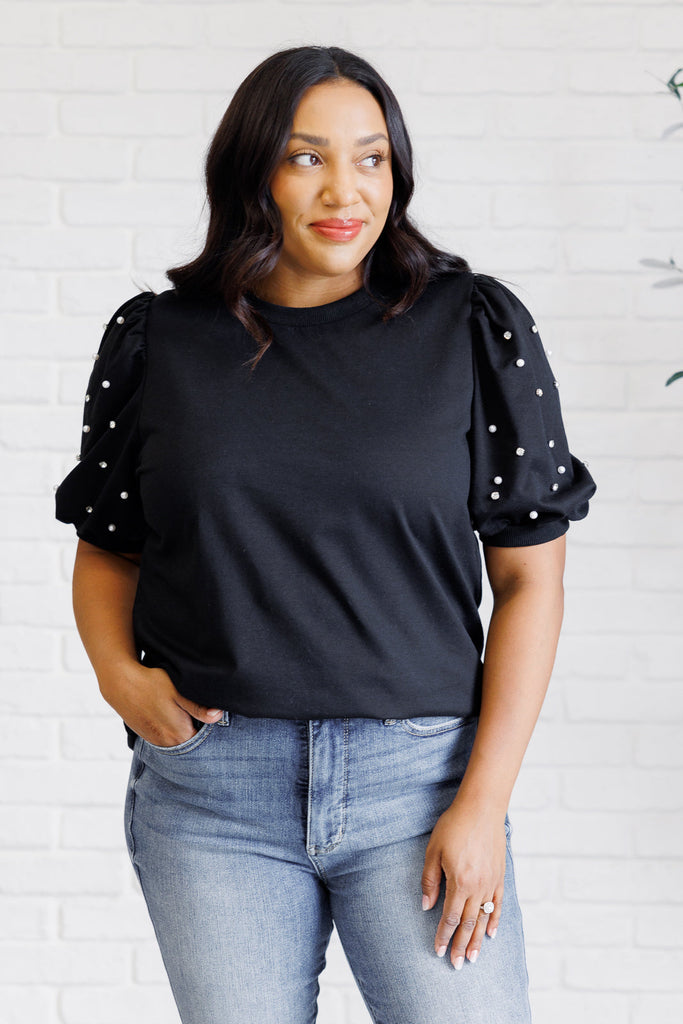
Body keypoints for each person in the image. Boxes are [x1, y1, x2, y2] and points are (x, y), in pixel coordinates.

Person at [55, 44, 595, 1024]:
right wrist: (116, 676)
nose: (345, 190)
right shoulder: (159, 339)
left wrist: (480, 804)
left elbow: (529, 581)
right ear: (251, 171)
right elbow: (109, 543)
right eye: (305, 157)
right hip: (212, 793)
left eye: (370, 157)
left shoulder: (470, 326)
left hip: (419, 784)